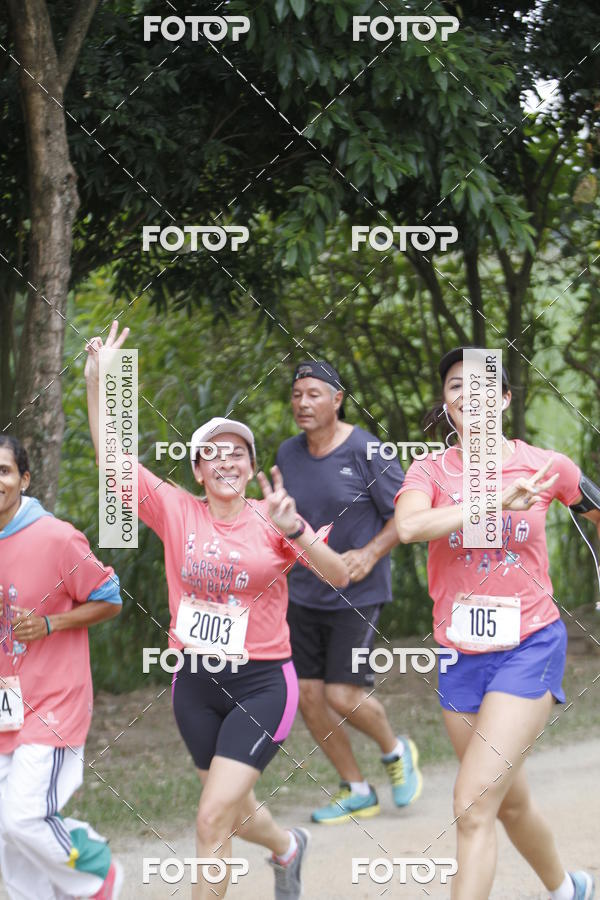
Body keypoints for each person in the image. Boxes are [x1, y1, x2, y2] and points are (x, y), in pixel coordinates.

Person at [84, 323, 349, 900]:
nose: (226, 461)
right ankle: (286, 848)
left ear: (252, 467)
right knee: (229, 808)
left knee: (210, 819)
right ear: (198, 470)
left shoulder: (273, 517)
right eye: (213, 454)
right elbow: (112, 459)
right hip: (195, 683)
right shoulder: (176, 510)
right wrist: (99, 382)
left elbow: (339, 573)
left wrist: (296, 530)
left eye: (239, 453)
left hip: (261, 683)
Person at [394, 346, 599, 900]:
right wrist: (490, 500)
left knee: (472, 805)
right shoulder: (429, 470)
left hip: (529, 644)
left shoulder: (546, 466)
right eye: (457, 387)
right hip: (460, 653)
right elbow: (411, 528)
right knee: (507, 800)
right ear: (446, 403)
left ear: (505, 399)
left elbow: (594, 508)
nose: (470, 396)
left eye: (484, 387)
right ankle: (568, 888)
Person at [276, 360, 421, 824]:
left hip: (356, 593)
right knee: (310, 696)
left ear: (337, 399)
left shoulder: (368, 451)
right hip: (301, 594)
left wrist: (371, 553)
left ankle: (396, 750)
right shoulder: (287, 454)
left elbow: (408, 516)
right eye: (297, 394)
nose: (303, 403)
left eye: (314, 394)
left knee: (343, 693)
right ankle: (356, 788)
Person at [0, 434, 124, 899]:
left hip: (55, 699)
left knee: (24, 817)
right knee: (5, 834)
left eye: (4, 470)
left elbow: (109, 599)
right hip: (6, 699)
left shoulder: (55, 536)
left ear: (24, 479)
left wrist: (52, 623)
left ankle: (95, 865)